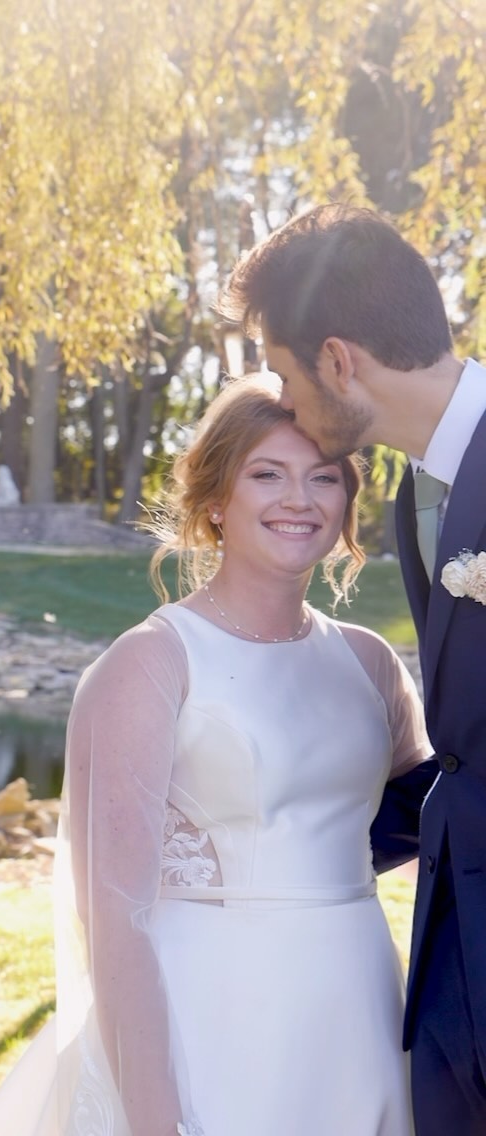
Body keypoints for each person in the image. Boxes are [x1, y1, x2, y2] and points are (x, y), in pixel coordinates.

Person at [0, 375, 429, 1136]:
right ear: (216, 499)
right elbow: (113, 917)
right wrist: (156, 1120)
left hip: (361, 1014)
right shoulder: (151, 661)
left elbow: (432, 821)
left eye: (324, 478)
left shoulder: (369, 661)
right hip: (213, 1023)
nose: (299, 499)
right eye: (267, 474)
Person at [216, 203, 486, 1135]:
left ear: (337, 360)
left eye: (287, 378)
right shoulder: (422, 488)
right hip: (451, 968)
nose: (285, 404)